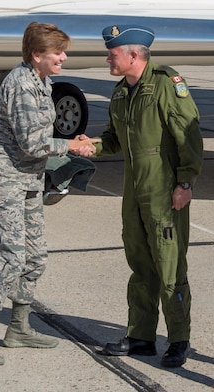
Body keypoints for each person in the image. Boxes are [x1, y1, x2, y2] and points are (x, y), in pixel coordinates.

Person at [0, 21, 99, 367]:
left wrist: (73, 143)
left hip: (28, 178)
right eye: (58, 52)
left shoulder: (41, 79)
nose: (64, 57)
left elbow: (41, 137)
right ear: (37, 54)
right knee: (11, 256)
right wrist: (71, 145)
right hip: (4, 178)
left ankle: (19, 327)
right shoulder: (21, 84)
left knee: (35, 255)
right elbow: (32, 143)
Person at [89, 24, 203, 368]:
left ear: (133, 55)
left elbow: (189, 135)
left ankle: (179, 339)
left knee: (169, 268)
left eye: (113, 54)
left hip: (164, 193)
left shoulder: (167, 84)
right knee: (140, 266)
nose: (108, 58)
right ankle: (141, 336)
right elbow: (111, 140)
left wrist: (185, 183)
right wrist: (86, 146)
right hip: (133, 194)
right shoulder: (121, 92)